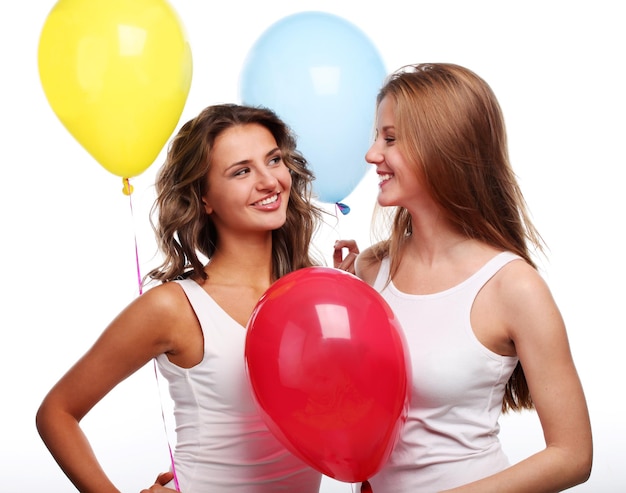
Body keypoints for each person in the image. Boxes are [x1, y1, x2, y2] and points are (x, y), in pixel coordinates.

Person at [36, 104, 325, 493]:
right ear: (204, 198)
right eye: (241, 171)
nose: (269, 181)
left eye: (273, 160)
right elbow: (57, 413)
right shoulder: (174, 308)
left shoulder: (317, 294)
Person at [334, 63, 592, 492]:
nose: (372, 154)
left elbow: (573, 456)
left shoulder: (513, 287)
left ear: (442, 146)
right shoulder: (372, 269)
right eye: (377, 136)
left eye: (391, 139)